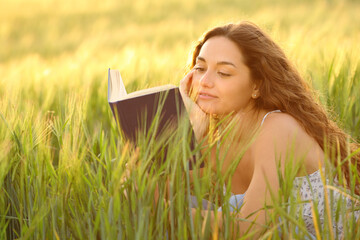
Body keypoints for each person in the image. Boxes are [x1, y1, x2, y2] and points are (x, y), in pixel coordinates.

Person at [179, 21, 360, 238]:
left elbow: (248, 229)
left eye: (224, 73)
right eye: (200, 68)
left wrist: (166, 212)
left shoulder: (277, 129)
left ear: (256, 86)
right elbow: (157, 188)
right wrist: (187, 126)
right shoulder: (219, 138)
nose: (205, 81)